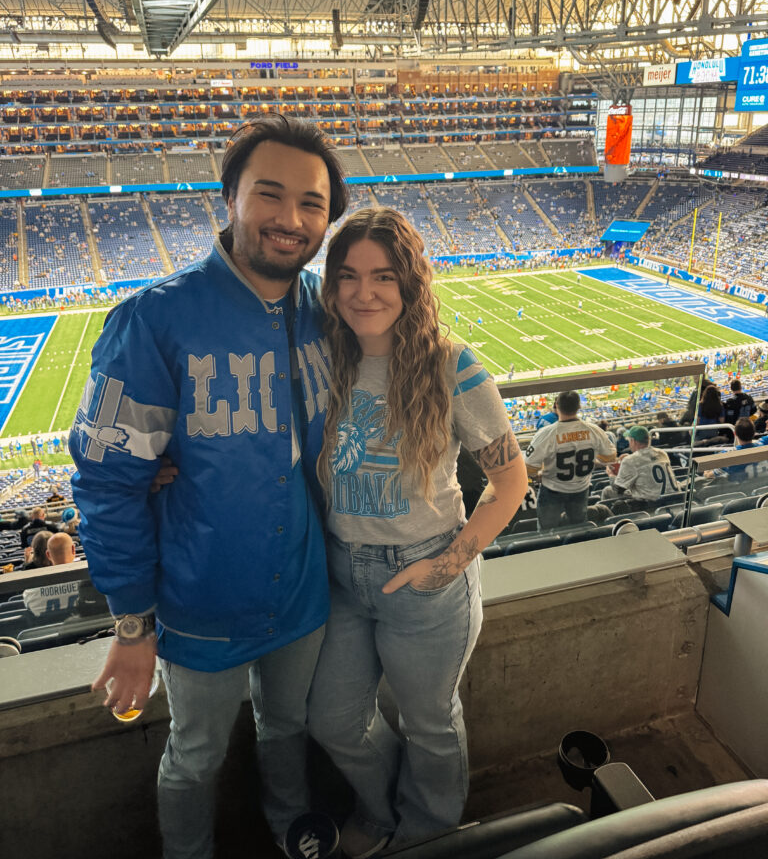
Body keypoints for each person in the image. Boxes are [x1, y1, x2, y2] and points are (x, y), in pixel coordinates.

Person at [69, 116, 348, 859]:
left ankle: (291, 834)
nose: (291, 219)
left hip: (304, 592)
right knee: (194, 756)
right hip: (201, 606)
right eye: (270, 194)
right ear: (229, 198)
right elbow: (106, 483)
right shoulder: (154, 320)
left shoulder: (327, 309)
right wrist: (132, 625)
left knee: (288, 728)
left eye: (312, 204)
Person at [307, 208, 528, 856]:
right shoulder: (322, 360)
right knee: (334, 720)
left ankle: (428, 832)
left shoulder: (451, 365)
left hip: (426, 571)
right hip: (340, 574)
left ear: (409, 282)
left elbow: (510, 482)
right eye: (348, 276)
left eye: (383, 275)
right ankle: (381, 811)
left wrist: (445, 566)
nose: (364, 292)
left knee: (430, 723)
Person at [524, 390, 616, 530]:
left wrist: (541, 474)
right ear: (579, 407)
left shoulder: (546, 434)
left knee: (547, 531)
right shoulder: (594, 430)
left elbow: (529, 468)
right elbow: (609, 457)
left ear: (556, 406)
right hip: (581, 489)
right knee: (579, 528)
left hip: (552, 490)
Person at [600, 426, 680, 513]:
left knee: (607, 491)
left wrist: (611, 475)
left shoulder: (630, 460)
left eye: (629, 440)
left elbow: (618, 490)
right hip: (674, 500)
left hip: (650, 505)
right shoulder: (662, 453)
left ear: (633, 441)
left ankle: (610, 519)